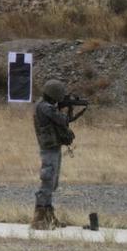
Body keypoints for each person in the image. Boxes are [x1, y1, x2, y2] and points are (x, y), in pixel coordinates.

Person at [31, 79, 85, 229]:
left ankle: (48, 215)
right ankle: (39, 219)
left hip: (53, 147)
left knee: (52, 182)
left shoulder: (45, 106)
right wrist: (66, 109)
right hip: (49, 148)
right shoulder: (45, 107)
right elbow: (62, 120)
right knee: (47, 180)